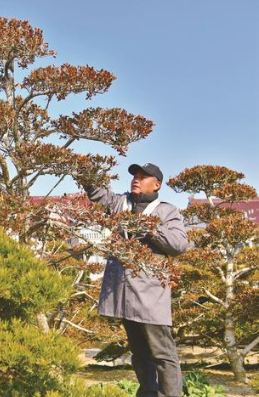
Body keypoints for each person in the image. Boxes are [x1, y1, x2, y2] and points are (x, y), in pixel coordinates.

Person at [83, 163, 188, 397]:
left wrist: (150, 228)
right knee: (139, 353)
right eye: (134, 176)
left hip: (151, 296)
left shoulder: (166, 211)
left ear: (157, 184)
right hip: (125, 296)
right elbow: (99, 195)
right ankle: (148, 393)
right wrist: (85, 173)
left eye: (143, 177)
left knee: (163, 353)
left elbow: (179, 245)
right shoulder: (122, 203)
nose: (136, 180)